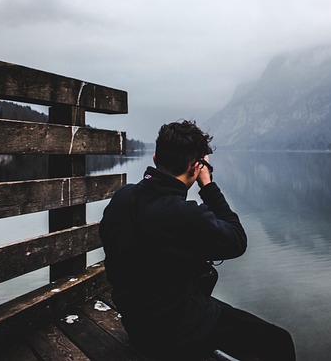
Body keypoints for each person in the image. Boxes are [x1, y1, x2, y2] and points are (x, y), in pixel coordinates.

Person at [99, 120, 295, 360]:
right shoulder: (183, 214)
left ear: (154, 159)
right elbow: (237, 240)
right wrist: (208, 185)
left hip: (137, 323)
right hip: (176, 330)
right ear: (195, 167)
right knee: (278, 341)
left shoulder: (122, 197)